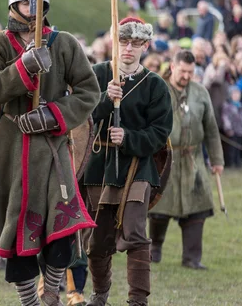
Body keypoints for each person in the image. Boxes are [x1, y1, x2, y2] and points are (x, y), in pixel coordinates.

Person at [0, 0, 100, 305]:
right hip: (12, 146)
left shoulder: (64, 43)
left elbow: (89, 91)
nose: (30, 7)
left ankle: (52, 293)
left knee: (63, 217)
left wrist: (54, 114)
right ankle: (30, 301)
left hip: (52, 144)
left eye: (36, 1)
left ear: (45, 3)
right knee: (17, 226)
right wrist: (24, 66)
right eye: (24, 1)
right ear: (13, 4)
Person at [82, 17, 173, 306]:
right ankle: (99, 294)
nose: (129, 48)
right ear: (114, 42)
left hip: (138, 166)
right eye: (123, 41)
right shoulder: (96, 74)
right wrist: (105, 100)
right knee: (97, 241)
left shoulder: (155, 85)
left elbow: (160, 132)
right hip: (98, 165)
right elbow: (79, 118)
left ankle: (137, 300)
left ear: (145, 46)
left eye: (136, 43)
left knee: (134, 232)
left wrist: (130, 137)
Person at [149, 50, 224, 270]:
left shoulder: (200, 93)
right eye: (183, 71)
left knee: (197, 208)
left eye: (191, 72)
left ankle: (192, 258)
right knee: (159, 206)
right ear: (172, 67)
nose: (187, 76)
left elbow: (211, 128)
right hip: (164, 158)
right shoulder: (158, 90)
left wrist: (217, 159)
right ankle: (154, 249)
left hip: (194, 158)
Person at [221, 86, 242, 168]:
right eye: (234, 93)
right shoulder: (227, 105)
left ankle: (237, 161)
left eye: (238, 93)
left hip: (240, 131)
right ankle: (230, 163)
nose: (236, 95)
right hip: (232, 131)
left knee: (238, 148)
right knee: (231, 148)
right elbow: (225, 118)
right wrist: (228, 129)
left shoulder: (240, 106)